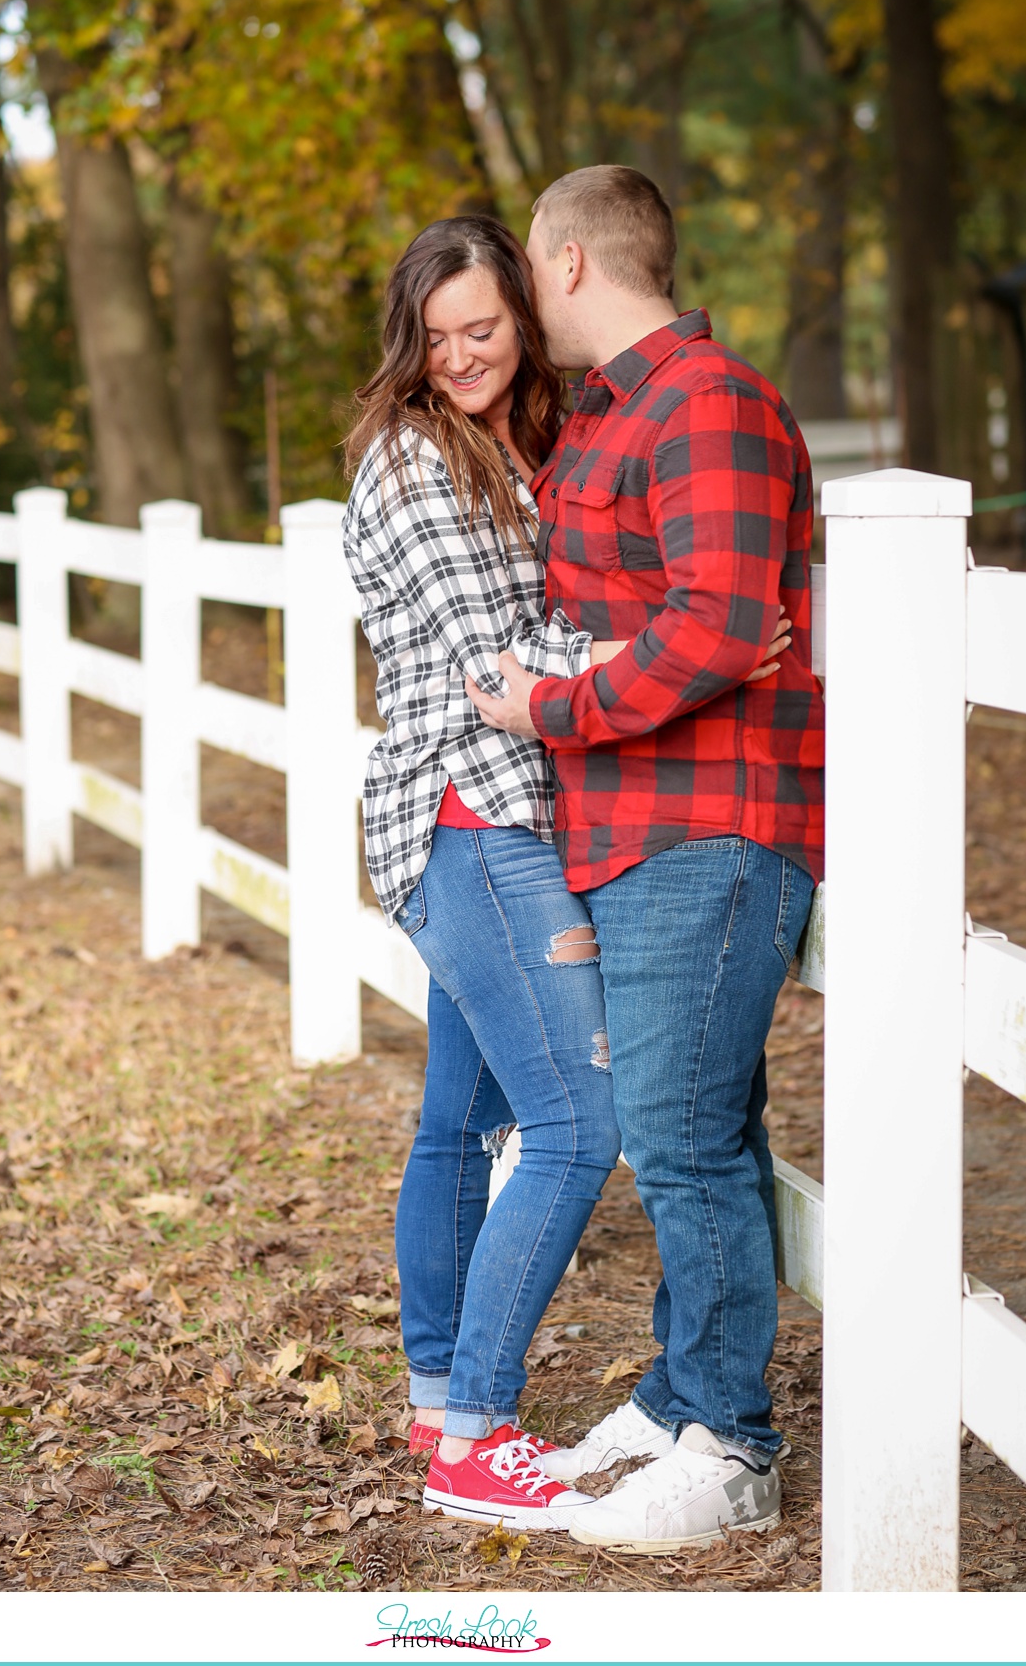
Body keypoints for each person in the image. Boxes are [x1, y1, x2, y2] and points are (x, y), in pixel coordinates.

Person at [341, 214, 789, 1533]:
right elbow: (500, 666)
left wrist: (622, 641)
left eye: (485, 326)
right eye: (439, 337)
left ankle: (440, 1405)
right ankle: (473, 1432)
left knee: (458, 1121)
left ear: (524, 318)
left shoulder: (518, 440)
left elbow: (551, 620)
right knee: (581, 1123)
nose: (465, 352)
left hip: (517, 815)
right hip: (473, 816)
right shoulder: (418, 458)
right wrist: (681, 642)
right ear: (408, 347)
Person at [466, 164, 824, 1554]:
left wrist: (556, 702)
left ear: (562, 264)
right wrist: (611, 667)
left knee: (677, 1142)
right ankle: (681, 1393)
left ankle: (731, 1447)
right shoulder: (615, 416)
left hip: (709, 826)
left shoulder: (710, 403)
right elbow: (677, 620)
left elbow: (724, 626)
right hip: (627, 827)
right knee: (703, 1126)